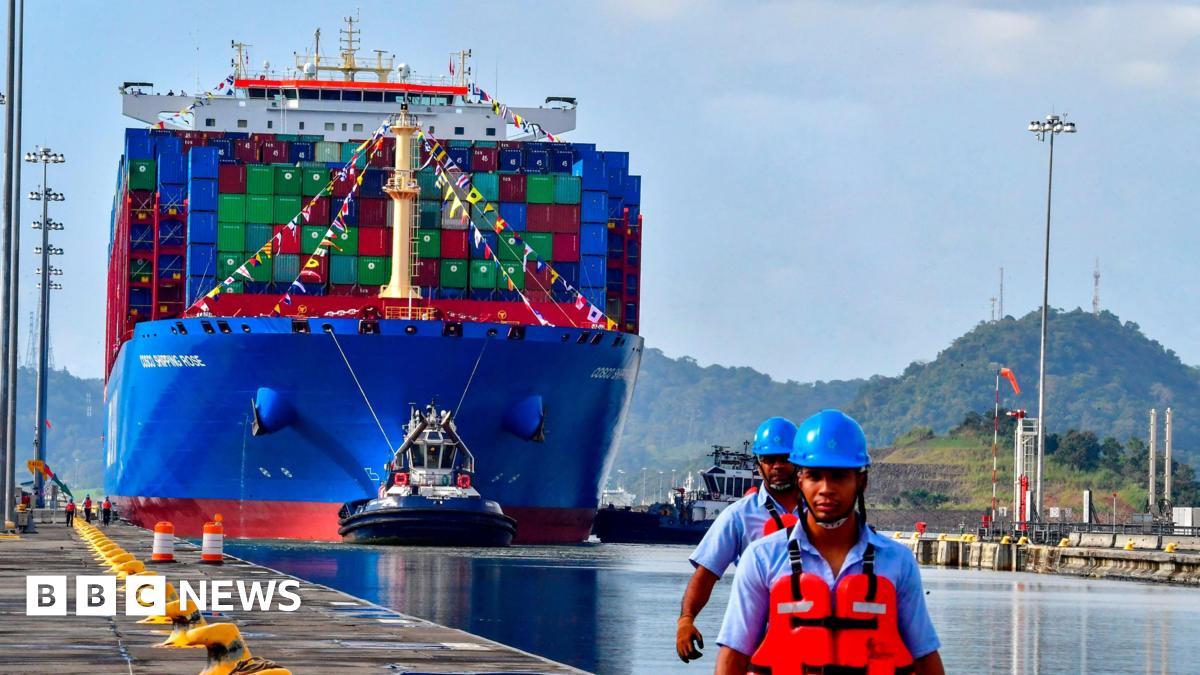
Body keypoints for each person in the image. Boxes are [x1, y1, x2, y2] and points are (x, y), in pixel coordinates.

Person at [716, 410, 944, 675]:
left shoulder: (898, 562)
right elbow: (733, 656)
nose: (826, 488)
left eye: (839, 476)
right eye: (814, 476)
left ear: (862, 481)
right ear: (799, 480)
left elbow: (925, 657)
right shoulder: (761, 558)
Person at [676, 417, 803, 664]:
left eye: (784, 458)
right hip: (757, 644)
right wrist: (686, 620)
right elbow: (705, 575)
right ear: (758, 466)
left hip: (813, 640)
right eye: (768, 459)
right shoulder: (738, 516)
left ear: (798, 460)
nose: (777, 465)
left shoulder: (820, 512)